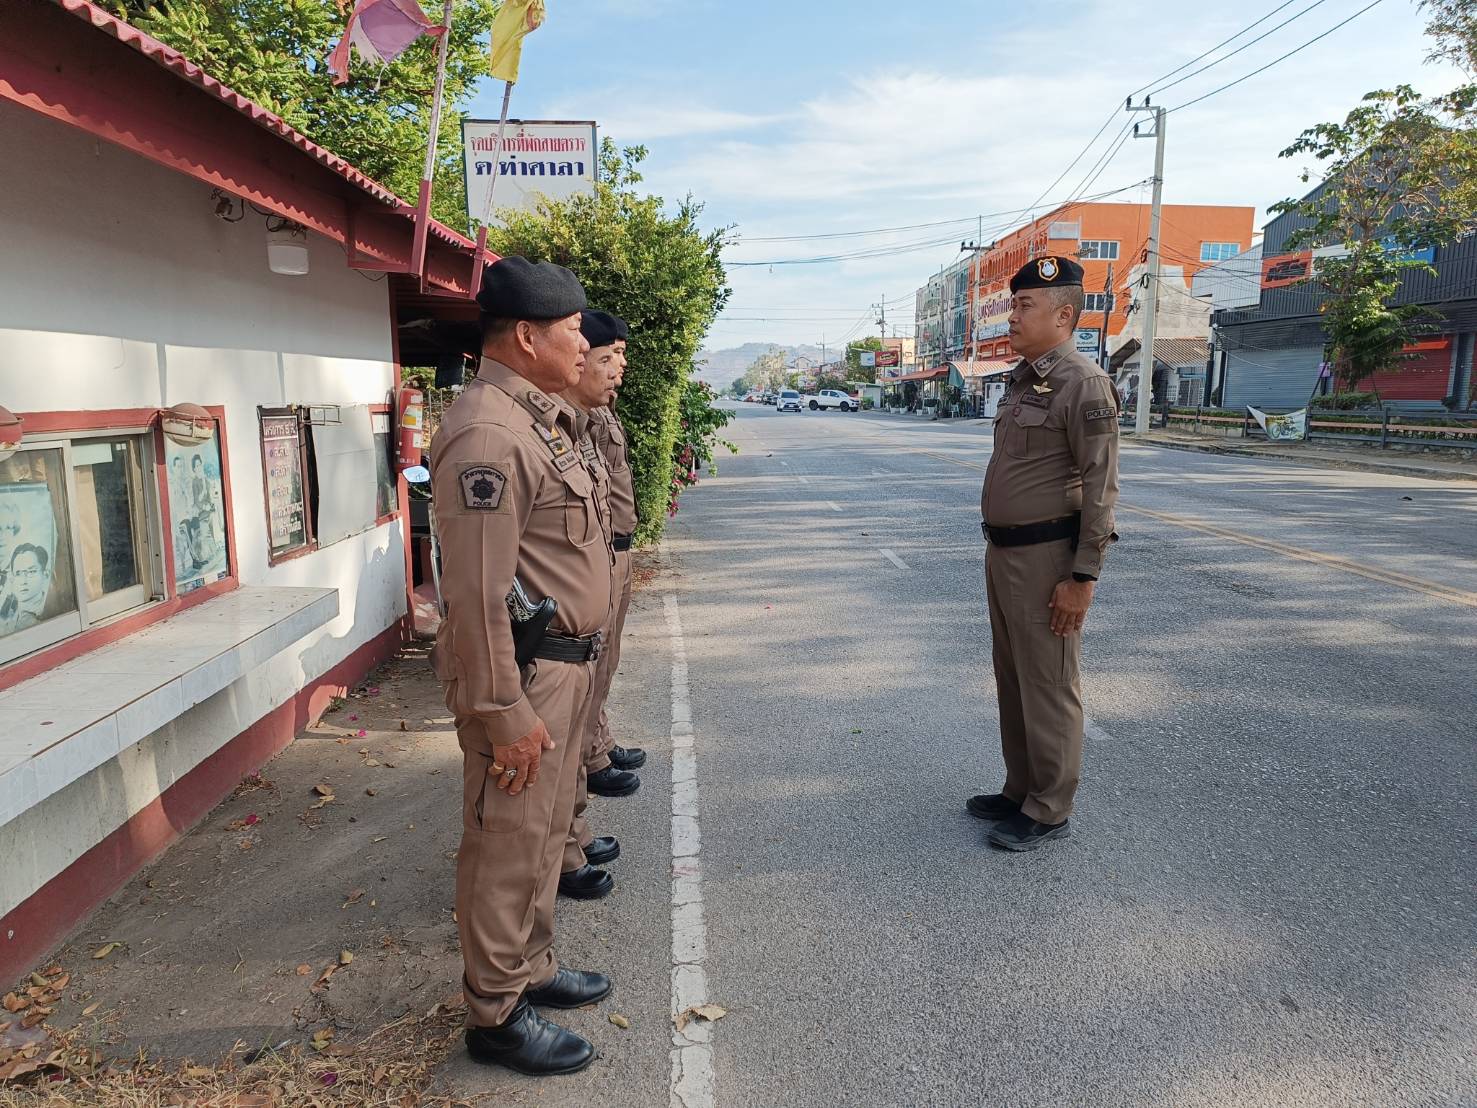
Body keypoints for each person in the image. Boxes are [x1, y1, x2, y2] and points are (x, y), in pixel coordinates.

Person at [429, 256, 615, 1076]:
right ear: (529, 337)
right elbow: (474, 591)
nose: (583, 345)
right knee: (507, 844)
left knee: (540, 836)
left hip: (560, 670)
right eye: (573, 331)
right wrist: (502, 709)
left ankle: (530, 968)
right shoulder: (490, 434)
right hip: (525, 676)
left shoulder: (534, 421)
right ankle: (496, 1012)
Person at [971, 255, 1120, 851]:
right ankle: (1020, 789)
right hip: (1004, 554)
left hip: (1047, 558)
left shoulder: (1083, 383)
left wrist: (1082, 576)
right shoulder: (1024, 379)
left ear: (1063, 316)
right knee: (1014, 679)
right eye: (1014, 304)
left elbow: (1101, 488)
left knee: (1050, 683)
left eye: (1024, 306)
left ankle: (1051, 807)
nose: (1013, 315)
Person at [557, 310, 643, 902]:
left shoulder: (585, 418)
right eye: (607, 356)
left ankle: (573, 833)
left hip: (608, 556)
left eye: (618, 357)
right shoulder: (527, 429)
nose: (617, 369)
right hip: (575, 590)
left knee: (598, 680)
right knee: (562, 732)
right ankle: (565, 846)